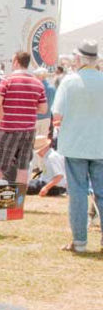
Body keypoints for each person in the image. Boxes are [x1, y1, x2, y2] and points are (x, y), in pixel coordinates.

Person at [52, 40, 103, 253]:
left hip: (74, 145)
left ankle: (80, 241)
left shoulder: (69, 82)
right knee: (101, 192)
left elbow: (57, 114)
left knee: (78, 193)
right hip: (100, 144)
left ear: (79, 59)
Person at [0, 51, 47, 183]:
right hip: (29, 130)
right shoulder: (38, 83)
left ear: (15, 62)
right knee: (23, 167)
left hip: (9, 128)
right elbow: (43, 109)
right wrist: (28, 107)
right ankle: (18, 202)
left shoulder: (7, 81)